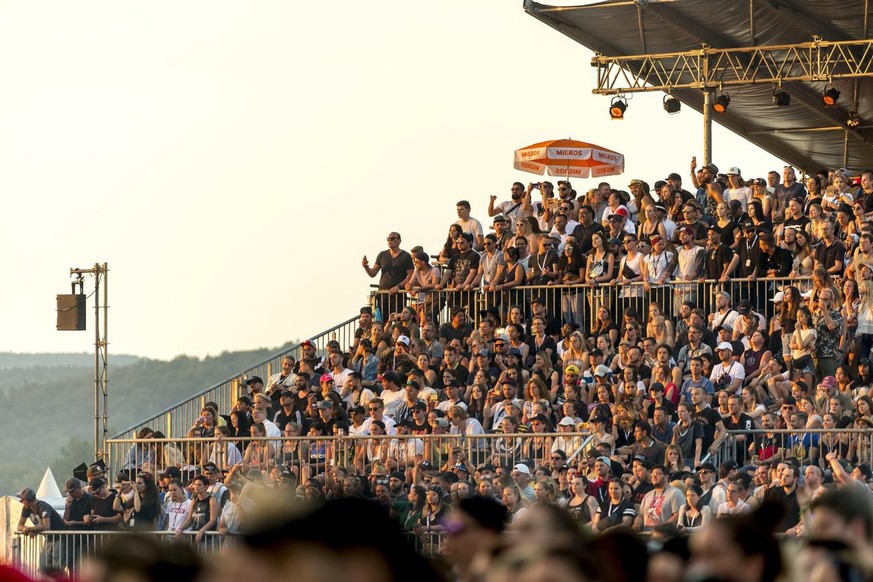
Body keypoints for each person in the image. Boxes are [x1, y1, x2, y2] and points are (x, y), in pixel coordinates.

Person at [362, 231, 415, 318]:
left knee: (398, 318)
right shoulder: (382, 255)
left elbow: (411, 275)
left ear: (399, 240)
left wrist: (398, 286)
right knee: (383, 319)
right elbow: (373, 273)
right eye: (388, 239)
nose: (390, 240)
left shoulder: (406, 256)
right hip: (383, 293)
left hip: (399, 293)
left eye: (393, 238)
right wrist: (366, 267)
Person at [17, 488, 66, 578]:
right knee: (43, 565)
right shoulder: (26, 508)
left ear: (26, 501)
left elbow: (46, 526)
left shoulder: (43, 506)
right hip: (49, 538)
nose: (23, 503)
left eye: (23, 501)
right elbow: (19, 525)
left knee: (57, 567)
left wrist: (30, 529)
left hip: (60, 538)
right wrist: (26, 529)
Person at [174, 475, 220, 543]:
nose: (196, 487)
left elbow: (213, 520)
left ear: (206, 487)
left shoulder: (211, 499)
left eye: (199, 485)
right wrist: (180, 529)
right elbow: (189, 519)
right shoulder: (194, 500)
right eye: (195, 484)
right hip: (194, 536)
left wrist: (201, 531)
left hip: (208, 538)